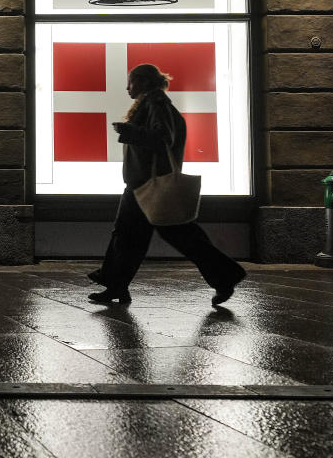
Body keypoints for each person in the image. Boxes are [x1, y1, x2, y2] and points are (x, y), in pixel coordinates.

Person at [87, 63, 246, 306]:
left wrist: (130, 132)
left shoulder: (156, 104)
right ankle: (115, 284)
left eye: (131, 81)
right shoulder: (153, 102)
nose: (127, 87)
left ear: (144, 82)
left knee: (173, 235)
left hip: (149, 185)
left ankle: (225, 275)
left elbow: (163, 138)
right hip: (144, 184)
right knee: (131, 235)